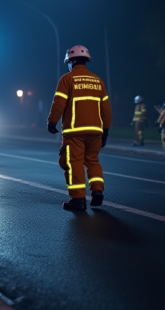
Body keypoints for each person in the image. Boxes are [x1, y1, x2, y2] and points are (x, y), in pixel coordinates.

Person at [47, 45, 112, 211]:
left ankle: (78, 199)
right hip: (95, 131)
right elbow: (106, 109)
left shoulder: (67, 79)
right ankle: (97, 190)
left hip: (74, 132)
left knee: (74, 163)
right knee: (92, 161)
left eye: (68, 62)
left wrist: (52, 122)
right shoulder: (98, 81)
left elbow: (59, 103)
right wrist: (105, 130)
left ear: (72, 61)